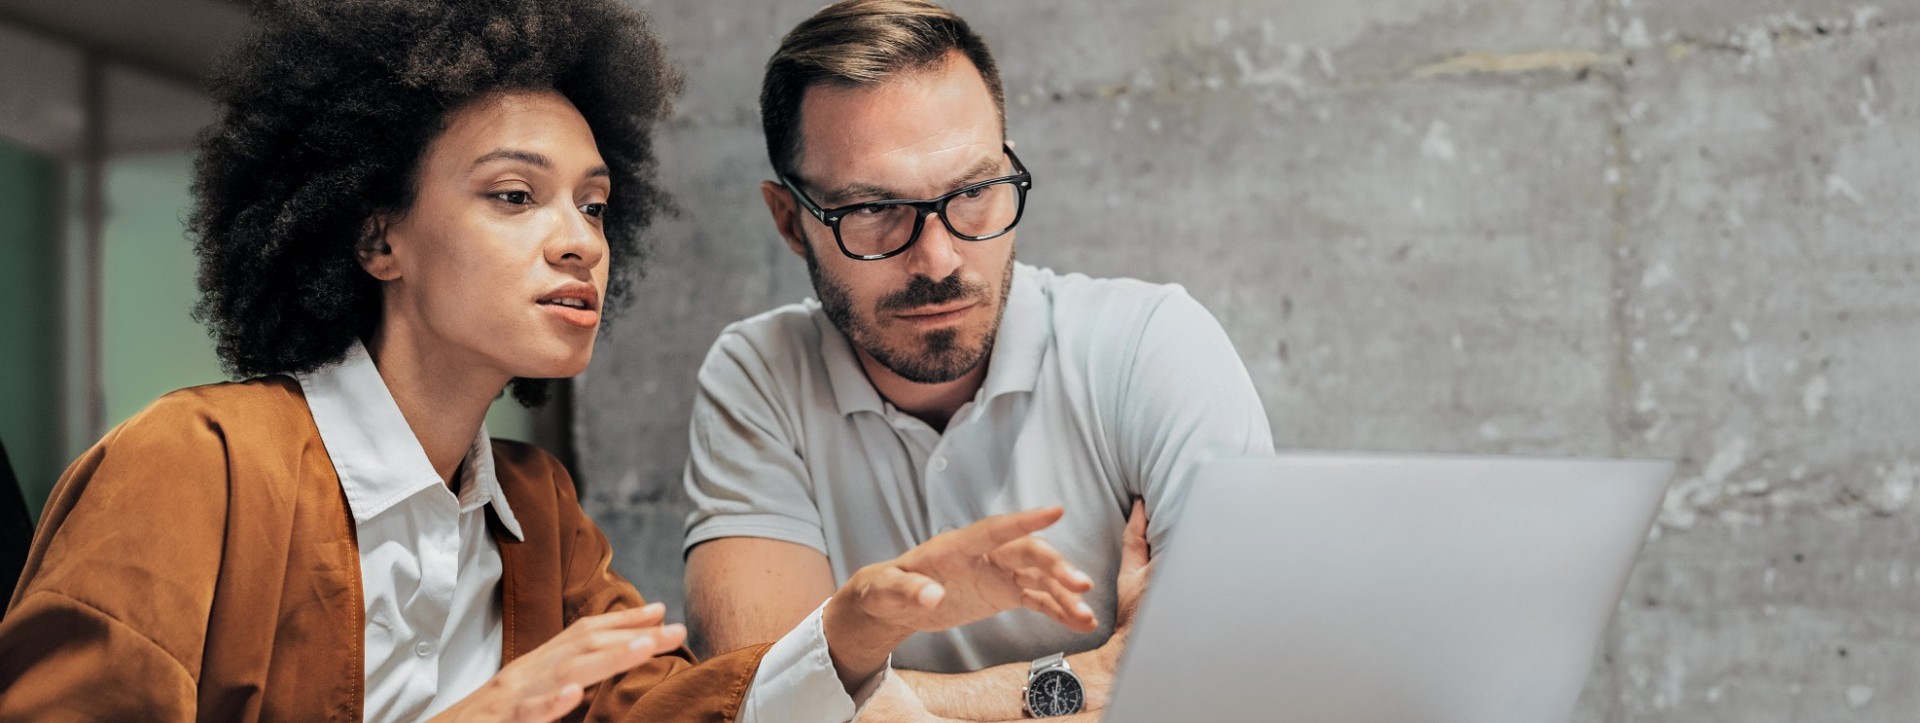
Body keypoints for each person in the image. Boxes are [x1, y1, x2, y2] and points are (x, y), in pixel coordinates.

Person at [0, 1, 1100, 720]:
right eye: (513, 196)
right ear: (376, 234)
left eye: (594, 202)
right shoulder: (191, 467)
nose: (578, 239)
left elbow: (663, 714)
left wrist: (858, 624)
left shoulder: (535, 510)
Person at [681, 1, 1275, 719]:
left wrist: (864, 699)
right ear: (791, 223)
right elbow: (759, 705)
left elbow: (1233, 681)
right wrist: (1080, 685)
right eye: (873, 209)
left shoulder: (1151, 344)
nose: (939, 258)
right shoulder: (760, 375)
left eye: (973, 193)